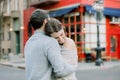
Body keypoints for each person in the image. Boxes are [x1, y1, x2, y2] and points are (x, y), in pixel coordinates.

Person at [24, 9, 77, 80]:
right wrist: (74, 67)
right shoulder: (50, 42)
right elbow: (60, 71)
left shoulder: (28, 43)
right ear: (45, 22)